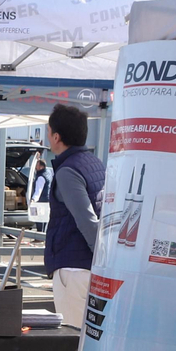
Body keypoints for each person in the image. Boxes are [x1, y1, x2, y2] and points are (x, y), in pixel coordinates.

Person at [44, 103, 104, 330]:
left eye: (49, 131)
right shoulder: (94, 162)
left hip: (74, 269)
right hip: (88, 267)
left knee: (73, 342)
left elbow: (87, 220)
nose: (48, 136)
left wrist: (100, 257)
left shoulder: (68, 171)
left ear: (57, 136)